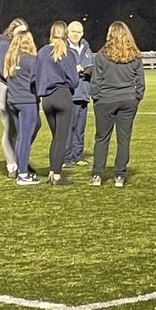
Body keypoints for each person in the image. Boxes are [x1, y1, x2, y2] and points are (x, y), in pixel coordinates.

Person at [89, 20, 145, 187]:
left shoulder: (101, 55)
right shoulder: (134, 55)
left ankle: (97, 175)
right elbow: (140, 82)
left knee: (102, 138)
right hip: (128, 100)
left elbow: (95, 80)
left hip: (105, 100)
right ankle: (119, 175)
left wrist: (96, 97)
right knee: (124, 139)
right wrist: (136, 97)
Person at [35, 21, 79, 185]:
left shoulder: (42, 52)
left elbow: (36, 75)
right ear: (66, 34)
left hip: (46, 99)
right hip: (63, 96)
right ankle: (57, 175)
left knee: (55, 138)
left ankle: (52, 172)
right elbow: (74, 81)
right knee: (61, 138)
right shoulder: (68, 53)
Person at [3, 25, 41, 185]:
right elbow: (37, 80)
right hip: (27, 102)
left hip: (13, 101)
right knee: (25, 138)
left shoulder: (11, 58)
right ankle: (23, 174)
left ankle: (21, 169)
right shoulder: (30, 60)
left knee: (20, 137)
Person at [0, 17, 27, 177]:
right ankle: (11, 164)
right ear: (12, 31)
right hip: (4, 88)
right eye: (20, 32)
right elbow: (5, 71)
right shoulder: (3, 46)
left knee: (19, 128)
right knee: (9, 127)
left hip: (13, 87)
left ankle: (19, 158)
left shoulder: (15, 45)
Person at [65, 20, 94, 166]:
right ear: (67, 33)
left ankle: (78, 155)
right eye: (73, 32)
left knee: (80, 128)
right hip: (70, 93)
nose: (76, 34)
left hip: (84, 93)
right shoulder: (64, 48)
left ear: (82, 33)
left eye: (78, 32)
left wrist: (81, 69)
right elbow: (67, 69)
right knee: (69, 127)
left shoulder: (86, 48)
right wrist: (77, 69)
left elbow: (89, 67)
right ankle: (67, 157)